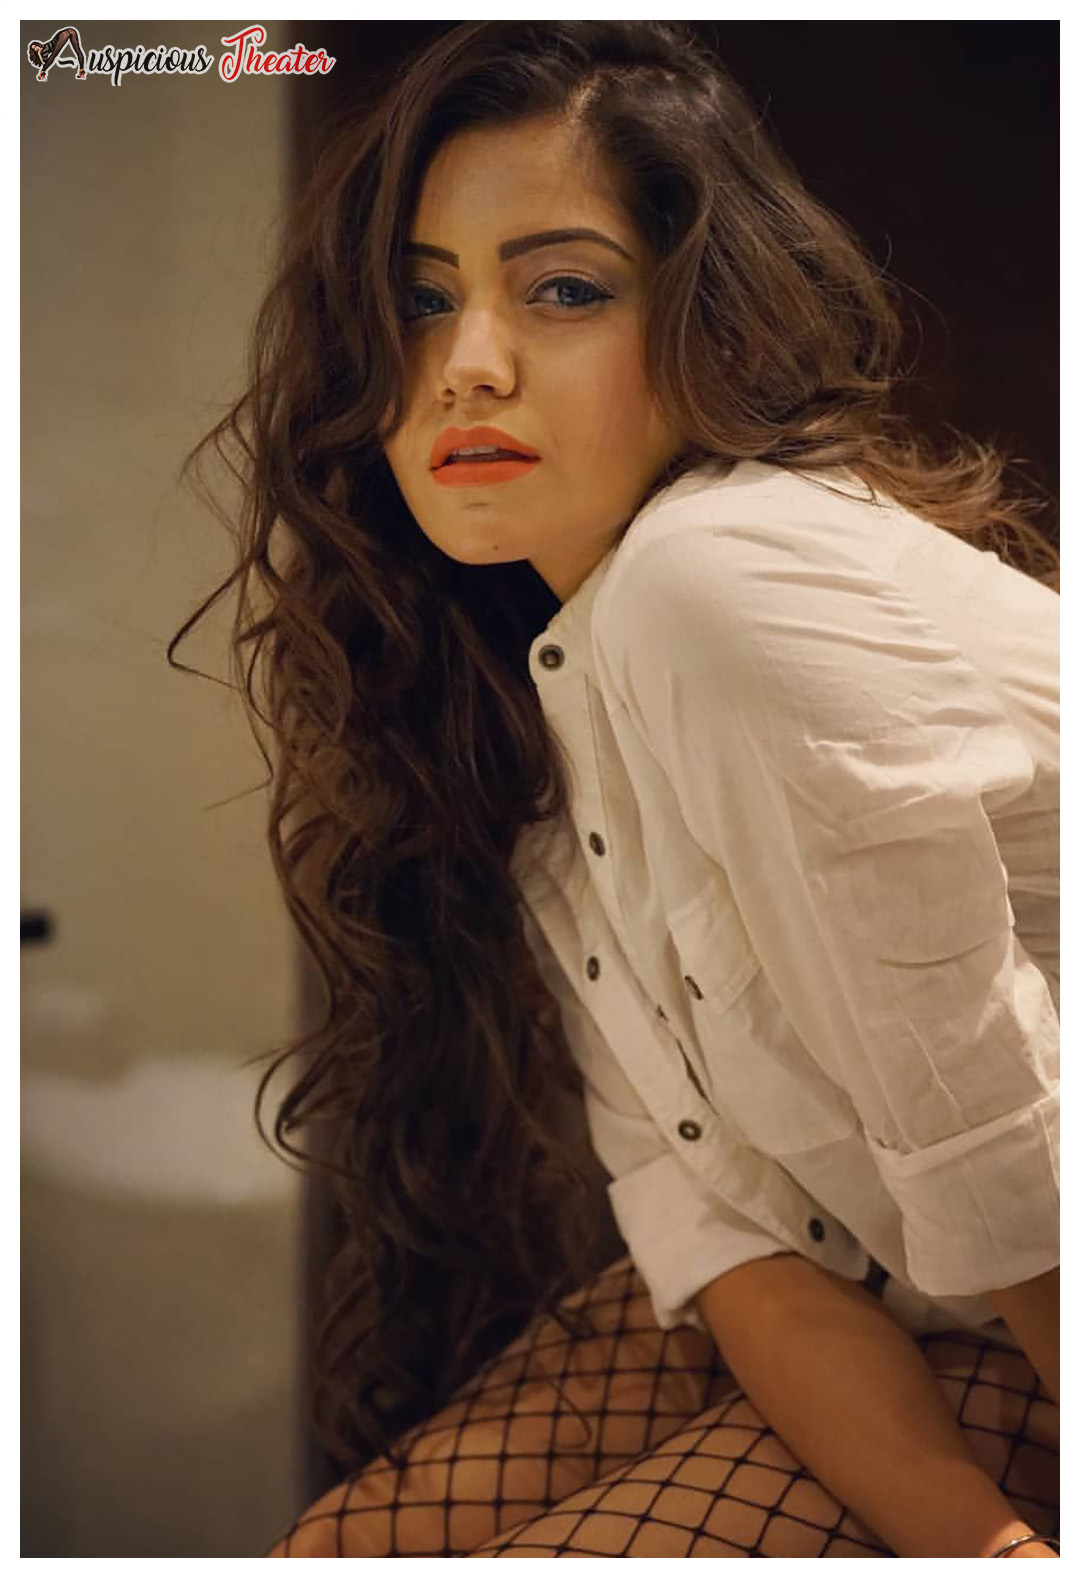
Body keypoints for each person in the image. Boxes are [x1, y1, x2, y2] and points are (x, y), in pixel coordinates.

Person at [169, 21, 1059, 1559]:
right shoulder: (546, 698)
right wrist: (978, 1540)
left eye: (563, 289)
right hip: (908, 1301)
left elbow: (1010, 1159)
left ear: (710, 324)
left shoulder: (714, 583)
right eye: (422, 300)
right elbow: (737, 1242)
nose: (469, 364)